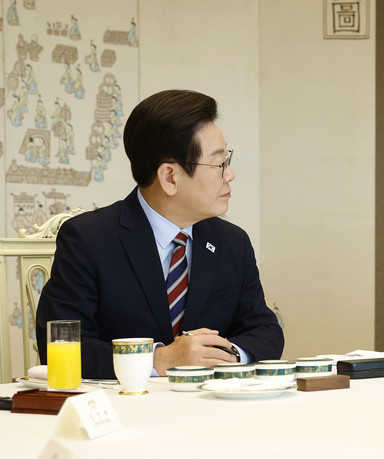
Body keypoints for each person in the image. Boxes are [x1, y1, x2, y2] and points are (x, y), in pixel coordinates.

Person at [37, 90, 284, 378]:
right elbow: (59, 347)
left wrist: (226, 356)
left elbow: (265, 330)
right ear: (169, 177)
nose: (229, 175)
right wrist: (157, 359)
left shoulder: (232, 242)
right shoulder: (88, 239)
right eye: (219, 164)